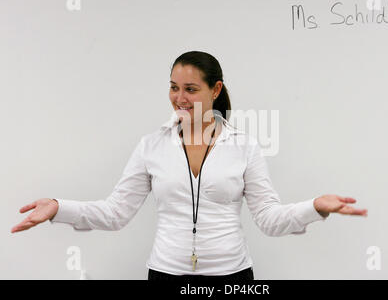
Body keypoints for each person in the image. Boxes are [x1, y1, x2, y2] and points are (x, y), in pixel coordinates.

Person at [11, 51, 368, 281]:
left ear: (215, 91)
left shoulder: (243, 145)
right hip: (166, 273)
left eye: (191, 89)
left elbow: (270, 220)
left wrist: (315, 207)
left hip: (232, 278)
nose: (179, 98)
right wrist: (59, 208)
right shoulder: (152, 145)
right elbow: (116, 212)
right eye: (173, 87)